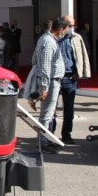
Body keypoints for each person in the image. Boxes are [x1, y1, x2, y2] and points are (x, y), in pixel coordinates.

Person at [31, 17, 67, 153]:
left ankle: (48, 139)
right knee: (46, 114)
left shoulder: (46, 39)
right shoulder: (48, 41)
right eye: (65, 29)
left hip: (52, 80)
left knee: (50, 113)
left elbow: (35, 59)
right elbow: (45, 66)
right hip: (50, 81)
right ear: (60, 29)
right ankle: (43, 143)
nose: (65, 32)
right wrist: (44, 87)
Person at [58, 14, 92, 144]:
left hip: (70, 77)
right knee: (51, 110)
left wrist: (80, 72)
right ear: (63, 25)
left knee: (69, 109)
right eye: (70, 25)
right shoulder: (55, 38)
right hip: (56, 78)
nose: (72, 28)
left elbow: (82, 55)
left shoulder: (77, 38)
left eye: (73, 25)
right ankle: (49, 137)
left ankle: (66, 134)